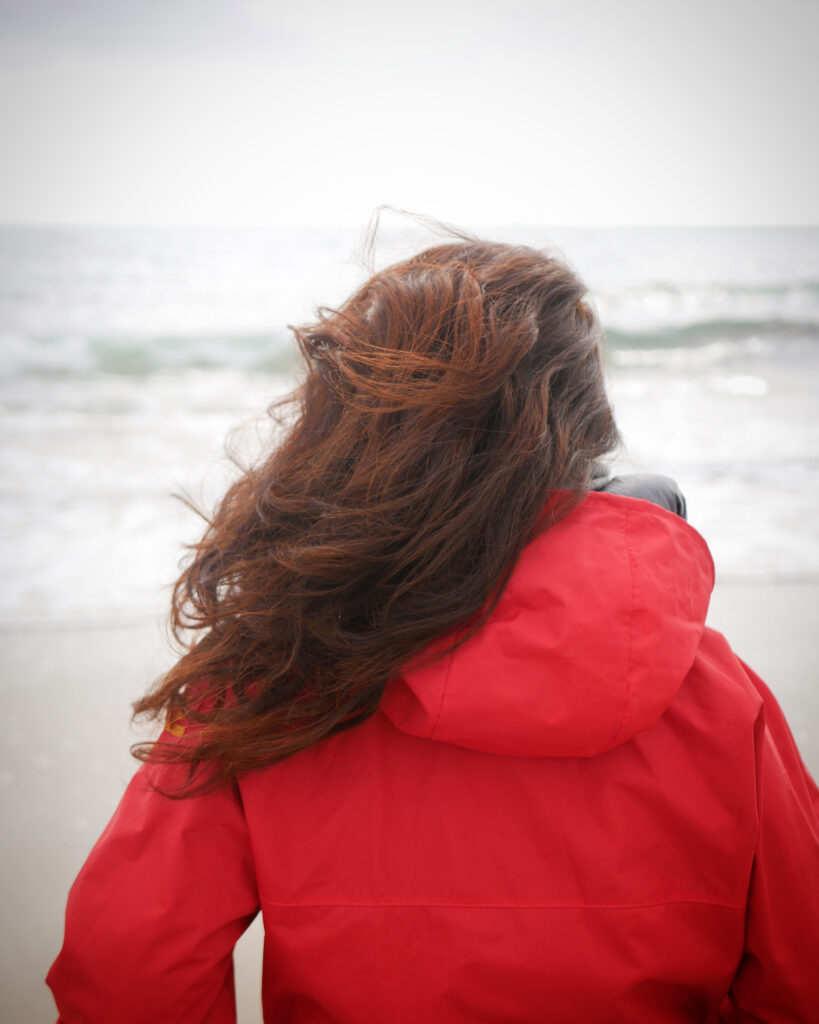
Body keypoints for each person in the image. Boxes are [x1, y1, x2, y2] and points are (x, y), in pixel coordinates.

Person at [47, 237, 819, 1023]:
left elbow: (130, 982)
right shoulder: (721, 701)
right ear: (584, 430)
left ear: (344, 429)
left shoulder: (264, 683)